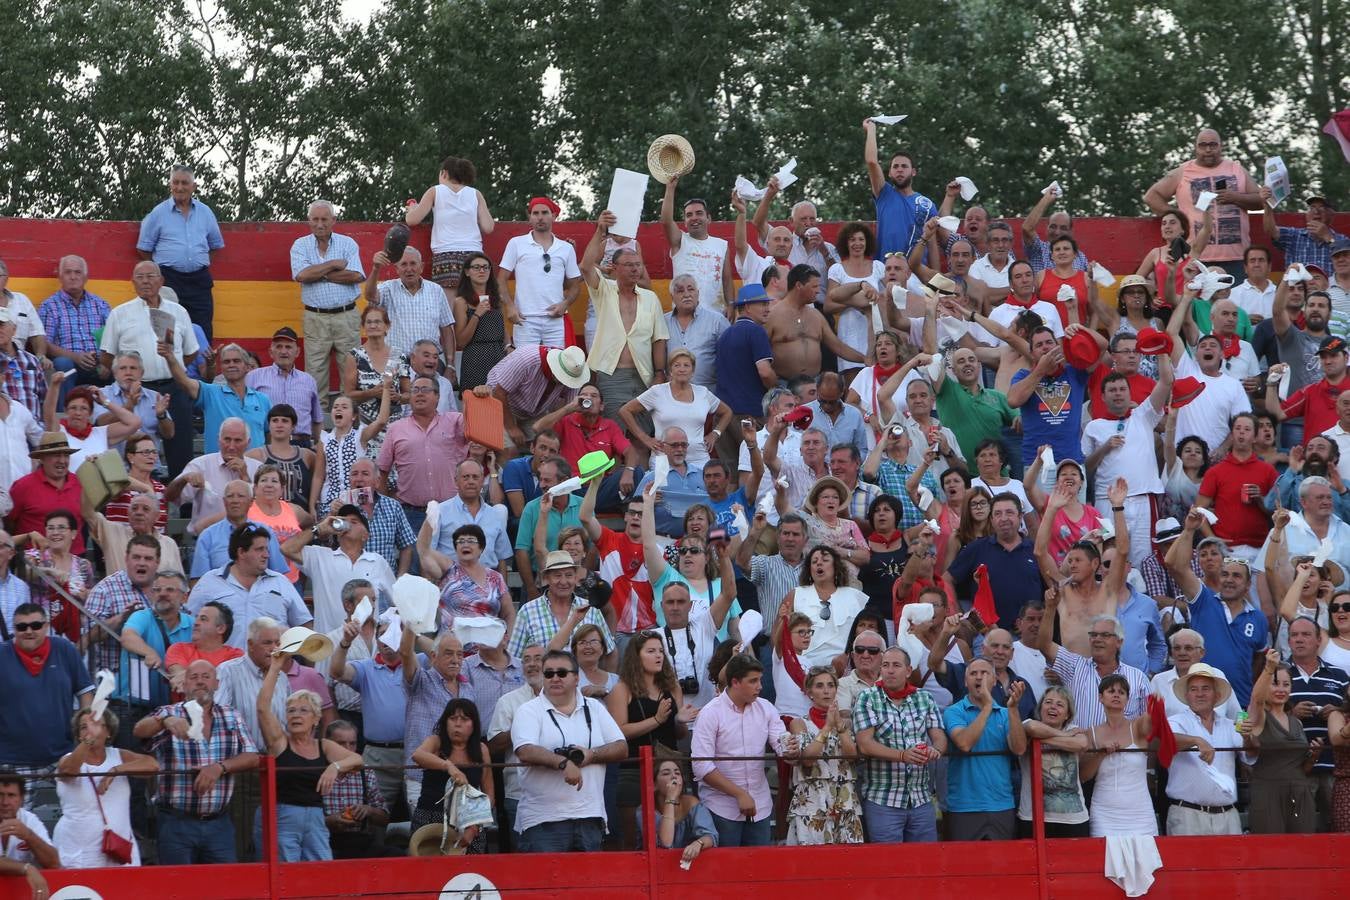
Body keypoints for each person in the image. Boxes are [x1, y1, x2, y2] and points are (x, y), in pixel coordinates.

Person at [133, 660, 259, 863]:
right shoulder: (170, 712)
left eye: (206, 677)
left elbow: (252, 757)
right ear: (184, 685)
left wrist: (219, 768)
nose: (200, 682)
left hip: (220, 823)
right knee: (178, 891)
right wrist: (164, 721)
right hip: (176, 823)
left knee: (225, 890)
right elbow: (138, 730)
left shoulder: (232, 715)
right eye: (193, 677)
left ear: (217, 683)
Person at [510, 648, 626, 852]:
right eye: (548, 673)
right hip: (543, 821)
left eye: (562, 673)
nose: (555, 678)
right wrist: (563, 763)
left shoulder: (595, 707)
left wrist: (592, 755)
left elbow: (621, 747)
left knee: (588, 884)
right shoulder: (528, 710)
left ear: (576, 678)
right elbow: (525, 750)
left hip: (590, 817)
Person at [255, 650, 362, 861]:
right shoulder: (279, 742)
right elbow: (262, 708)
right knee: (285, 877)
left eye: (303, 710)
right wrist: (275, 667)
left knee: (322, 873)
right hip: (282, 816)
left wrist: (335, 767)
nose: (296, 715)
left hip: (315, 818)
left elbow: (357, 759)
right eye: (291, 711)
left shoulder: (324, 745)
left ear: (316, 718)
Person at [0, 602, 93, 836]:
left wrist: (85, 728)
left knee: (79, 815)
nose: (29, 631)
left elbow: (85, 693)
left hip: (61, 754)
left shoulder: (65, 649)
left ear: (47, 626)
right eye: (21, 627)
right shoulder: (1, 655)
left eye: (35, 625)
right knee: (10, 825)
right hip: (13, 759)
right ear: (14, 629)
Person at [97, 262, 195, 475]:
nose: (145, 281)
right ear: (132, 282)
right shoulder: (120, 314)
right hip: (138, 391)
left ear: (161, 281)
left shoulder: (179, 312)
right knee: (139, 448)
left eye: (151, 276)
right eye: (139, 277)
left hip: (174, 388)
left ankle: (184, 506)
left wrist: (173, 367)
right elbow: (107, 355)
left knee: (181, 452)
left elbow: (191, 351)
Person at [1165, 509, 1269, 706]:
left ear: (1248, 585)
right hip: (1201, 701)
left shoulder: (1258, 618)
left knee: (1240, 738)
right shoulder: (1203, 599)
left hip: (1242, 701)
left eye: (1236, 576)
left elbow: (1259, 659)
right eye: (1225, 575)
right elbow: (1177, 567)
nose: (1229, 580)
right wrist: (1188, 530)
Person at [691, 653, 791, 847]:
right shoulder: (710, 713)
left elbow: (782, 743)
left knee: (759, 872)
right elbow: (701, 766)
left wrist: (792, 749)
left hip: (760, 805)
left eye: (760, 680)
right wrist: (739, 794)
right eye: (753, 681)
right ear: (735, 682)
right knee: (725, 873)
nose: (760, 686)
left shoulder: (766, 708)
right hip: (721, 808)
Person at [581, 211, 670, 420]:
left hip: (644, 376)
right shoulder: (604, 290)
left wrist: (659, 374)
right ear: (615, 268)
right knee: (615, 432)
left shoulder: (650, 298)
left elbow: (659, 340)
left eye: (638, 265)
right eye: (629, 265)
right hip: (611, 375)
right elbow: (586, 266)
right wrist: (600, 230)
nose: (635, 269)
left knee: (644, 433)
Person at [606, 632, 689, 848]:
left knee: (673, 833)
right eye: (651, 651)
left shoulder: (672, 687)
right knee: (633, 838)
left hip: (668, 767)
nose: (658, 656)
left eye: (660, 651)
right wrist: (657, 719)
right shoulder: (621, 690)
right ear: (636, 656)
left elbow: (679, 735)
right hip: (634, 770)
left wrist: (680, 721)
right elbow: (619, 732)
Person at [1143, 129, 1262, 277]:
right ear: (1195, 147)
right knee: (1195, 300)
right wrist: (1179, 218)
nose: (1208, 150)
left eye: (1213, 145)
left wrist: (1236, 197)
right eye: (1203, 145)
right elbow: (1151, 197)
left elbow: (1261, 201)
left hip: (1236, 257)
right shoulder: (1183, 171)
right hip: (1195, 255)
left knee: (1232, 301)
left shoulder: (1236, 169)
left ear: (1221, 146)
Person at [330, 617, 410, 815]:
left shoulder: (418, 663)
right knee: (373, 817)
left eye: (393, 634)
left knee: (420, 815)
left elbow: (436, 653)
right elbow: (336, 671)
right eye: (381, 634)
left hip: (415, 751)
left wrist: (413, 631)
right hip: (377, 755)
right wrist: (345, 642)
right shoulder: (365, 667)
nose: (387, 639)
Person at [186, 522, 312, 648]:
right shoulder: (209, 582)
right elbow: (189, 625)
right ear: (241, 552)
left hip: (274, 665)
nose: (266, 555)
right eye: (259, 549)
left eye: (266, 549)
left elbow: (304, 627)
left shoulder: (281, 582)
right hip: (223, 666)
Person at [776, 666, 863, 845]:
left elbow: (852, 756)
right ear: (809, 692)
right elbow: (808, 760)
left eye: (831, 686)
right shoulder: (799, 723)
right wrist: (827, 728)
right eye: (820, 686)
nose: (826, 691)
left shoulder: (844, 722)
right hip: (812, 799)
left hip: (843, 798)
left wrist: (839, 725)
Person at [942, 658, 1027, 841]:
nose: (978, 678)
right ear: (965, 682)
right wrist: (988, 707)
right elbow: (964, 743)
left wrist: (1012, 709)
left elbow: (1019, 749)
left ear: (994, 680)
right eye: (973, 674)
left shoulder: (1006, 713)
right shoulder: (953, 711)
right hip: (964, 806)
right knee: (965, 867)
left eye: (984, 673)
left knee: (1001, 866)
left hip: (1001, 805)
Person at [1036, 590, 1149, 728]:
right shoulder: (1075, 666)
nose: (1097, 639)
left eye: (1105, 635)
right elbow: (1044, 644)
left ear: (1119, 642)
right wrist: (1050, 607)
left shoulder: (1138, 678)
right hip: (1078, 748)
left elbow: (1147, 724)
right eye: (1094, 635)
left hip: (1122, 749)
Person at [136, 165, 224, 338]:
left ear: (194, 186)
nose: (180, 187)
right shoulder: (158, 213)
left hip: (199, 281)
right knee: (166, 332)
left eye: (185, 183)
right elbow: (143, 249)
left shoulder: (205, 212)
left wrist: (196, 262)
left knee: (202, 331)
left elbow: (215, 245)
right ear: (170, 185)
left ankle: (201, 365)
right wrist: (160, 270)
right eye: (175, 182)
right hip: (169, 280)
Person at [377, 374, 466, 535]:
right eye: (415, 390)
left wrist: (482, 396)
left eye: (425, 389)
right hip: (411, 515)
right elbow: (382, 472)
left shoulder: (455, 421)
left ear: (437, 396)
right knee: (415, 560)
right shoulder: (396, 428)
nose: (419, 394)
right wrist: (385, 511)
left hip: (451, 511)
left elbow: (478, 428)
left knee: (451, 560)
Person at [1243, 649, 1318, 833]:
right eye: (1275, 684)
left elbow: (1303, 768)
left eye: (1286, 684)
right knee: (1272, 852)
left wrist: (1313, 756)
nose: (1281, 689)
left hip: (1300, 793)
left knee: (1303, 851)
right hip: (1268, 793)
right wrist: (1269, 668)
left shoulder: (1297, 722)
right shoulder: (1259, 716)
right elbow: (1256, 699)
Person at [1164, 663, 1243, 836]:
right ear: (1187, 695)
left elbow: (1251, 756)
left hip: (1227, 815)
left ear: (1217, 695)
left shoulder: (1231, 726)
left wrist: (1251, 735)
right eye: (1194, 689)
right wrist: (1195, 740)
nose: (1199, 694)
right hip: (1187, 815)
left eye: (1206, 688)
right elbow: (1166, 741)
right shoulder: (1176, 721)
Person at [945, 493, 1043, 628]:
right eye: (997, 514)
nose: (1003, 518)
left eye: (1009, 512)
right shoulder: (977, 548)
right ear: (991, 519)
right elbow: (946, 579)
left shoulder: (1035, 550)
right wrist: (957, 611)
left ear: (1020, 517)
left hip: (1030, 635)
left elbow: (1051, 590)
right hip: (987, 635)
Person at [410, 698, 494, 853]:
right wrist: (449, 767)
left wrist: (475, 826)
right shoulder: (435, 742)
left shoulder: (481, 750)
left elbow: (489, 795)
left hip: (469, 822)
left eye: (464, 719)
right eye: (453, 718)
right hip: (431, 819)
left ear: (473, 725)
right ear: (445, 722)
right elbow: (417, 755)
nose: (458, 724)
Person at [1078, 674, 1158, 836]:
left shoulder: (1137, 726)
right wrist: (1101, 754)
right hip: (1104, 812)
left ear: (1128, 699)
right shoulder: (1090, 733)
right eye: (1111, 691)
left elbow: (1152, 721)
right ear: (1101, 697)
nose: (1116, 695)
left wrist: (1156, 705)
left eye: (1121, 692)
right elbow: (1083, 776)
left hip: (1140, 813)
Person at [497, 196, 582, 346]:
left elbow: (575, 285)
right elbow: (501, 279)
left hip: (555, 320)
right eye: (535, 213)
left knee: (555, 366)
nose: (540, 217)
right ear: (530, 217)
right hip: (525, 319)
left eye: (545, 212)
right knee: (526, 368)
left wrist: (565, 304)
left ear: (554, 216)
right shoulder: (516, 243)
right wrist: (510, 306)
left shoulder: (566, 248)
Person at [405, 155, 496, 292]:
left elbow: (412, 220)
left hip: (445, 255)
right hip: (474, 255)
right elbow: (488, 227)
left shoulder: (435, 191)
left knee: (449, 307)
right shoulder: (475, 194)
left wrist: (412, 209)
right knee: (477, 303)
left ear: (444, 173)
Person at [163, 341, 272, 451]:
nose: (231, 365)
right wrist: (170, 357)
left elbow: (270, 436)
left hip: (254, 466)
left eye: (236, 361)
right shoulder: (210, 393)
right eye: (226, 362)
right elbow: (183, 381)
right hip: (217, 466)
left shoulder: (263, 400)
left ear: (247, 367)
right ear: (222, 368)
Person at [766, 265, 866, 381]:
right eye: (814, 286)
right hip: (783, 384)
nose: (818, 290)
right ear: (798, 285)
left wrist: (864, 359)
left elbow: (839, 347)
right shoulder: (773, 315)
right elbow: (760, 354)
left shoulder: (817, 316)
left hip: (814, 384)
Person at [481, 344, 590, 449]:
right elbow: (499, 392)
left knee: (545, 446)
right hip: (500, 402)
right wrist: (511, 427)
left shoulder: (575, 369)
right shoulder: (527, 360)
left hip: (533, 411)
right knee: (510, 450)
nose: (566, 382)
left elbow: (568, 409)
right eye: (564, 378)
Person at [165, 419, 263, 535]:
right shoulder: (200, 465)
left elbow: (264, 507)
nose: (231, 446)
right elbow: (170, 497)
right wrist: (184, 479)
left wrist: (245, 477)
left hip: (248, 538)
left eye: (237, 441)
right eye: (227, 439)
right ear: (218, 440)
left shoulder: (258, 468)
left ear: (248, 442)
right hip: (207, 538)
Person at [1018, 686, 1090, 837]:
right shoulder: (1029, 724)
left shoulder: (1074, 728)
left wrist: (1042, 739)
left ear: (1067, 714)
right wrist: (1065, 735)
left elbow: (1081, 744)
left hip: (1074, 819)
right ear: (1040, 708)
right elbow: (1032, 727)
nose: (1053, 707)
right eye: (1048, 702)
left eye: (1060, 704)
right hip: (1032, 817)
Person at [364, 245, 456, 360]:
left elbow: (446, 328)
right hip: (396, 362)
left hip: (429, 363)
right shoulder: (388, 288)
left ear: (421, 267)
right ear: (397, 269)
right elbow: (370, 296)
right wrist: (376, 268)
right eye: (404, 264)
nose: (409, 269)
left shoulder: (436, 290)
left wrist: (451, 365)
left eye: (413, 263)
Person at [313, 388, 392, 519]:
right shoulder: (324, 440)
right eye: (335, 407)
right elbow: (318, 476)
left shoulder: (360, 435)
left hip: (358, 499)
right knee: (330, 535)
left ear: (354, 416)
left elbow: (382, 420)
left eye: (344, 407)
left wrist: (386, 387)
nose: (338, 409)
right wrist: (312, 505)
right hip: (329, 501)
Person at [38, 255, 111, 396]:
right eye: (68, 272)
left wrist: (105, 362)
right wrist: (75, 357)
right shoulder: (49, 306)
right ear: (60, 277)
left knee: (124, 364)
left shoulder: (101, 305)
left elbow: (113, 338)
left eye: (78, 272)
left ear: (85, 277)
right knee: (62, 364)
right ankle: (60, 416)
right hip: (70, 364)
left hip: (99, 363)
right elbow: (45, 343)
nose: (73, 277)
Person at [863, 120, 937, 257]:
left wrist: (935, 276)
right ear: (890, 173)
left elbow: (932, 245)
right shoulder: (884, 194)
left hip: (915, 274)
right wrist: (871, 129)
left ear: (913, 171)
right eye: (895, 167)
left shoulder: (927, 205)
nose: (900, 170)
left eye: (904, 166)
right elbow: (872, 161)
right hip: (885, 271)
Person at [319, 719, 390, 859]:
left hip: (360, 840)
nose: (347, 749)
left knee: (395, 855)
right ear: (328, 744)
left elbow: (385, 818)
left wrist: (368, 810)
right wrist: (329, 821)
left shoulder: (365, 772)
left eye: (352, 743)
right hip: (325, 840)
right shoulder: (316, 772)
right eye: (341, 744)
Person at [6, 432, 84, 555]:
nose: (62, 460)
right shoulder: (23, 486)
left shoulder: (80, 482)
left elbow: (91, 519)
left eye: (66, 455)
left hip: (75, 560)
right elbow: (9, 523)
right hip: (34, 563)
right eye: (57, 455)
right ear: (42, 458)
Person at [245, 329, 324, 447]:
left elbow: (317, 419)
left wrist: (319, 447)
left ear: (297, 352)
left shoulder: (308, 380)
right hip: (266, 443)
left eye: (288, 347)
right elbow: (243, 413)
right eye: (279, 347)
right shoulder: (254, 376)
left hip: (301, 444)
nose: (283, 351)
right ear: (271, 352)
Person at [713, 283, 777, 417]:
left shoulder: (725, 334)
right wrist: (776, 388)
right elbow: (765, 372)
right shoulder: (756, 331)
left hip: (724, 414)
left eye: (767, 304)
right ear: (747, 307)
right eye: (762, 304)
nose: (768, 309)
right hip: (751, 411)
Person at [452, 252, 507, 392]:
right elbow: (461, 341)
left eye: (485, 267)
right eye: (476, 267)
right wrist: (476, 315)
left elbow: (502, 328)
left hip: (499, 356)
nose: (482, 271)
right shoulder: (461, 302)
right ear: (467, 272)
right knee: (476, 407)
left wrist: (509, 346)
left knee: (501, 403)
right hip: (475, 358)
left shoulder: (497, 299)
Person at [245, 404, 316, 508]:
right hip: (266, 519)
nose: (279, 425)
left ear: (293, 426)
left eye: (285, 420)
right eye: (275, 420)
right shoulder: (255, 455)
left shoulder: (307, 456)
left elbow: (319, 480)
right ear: (269, 425)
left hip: (302, 519)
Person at [648, 757, 717, 861]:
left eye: (677, 773)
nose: (673, 776)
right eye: (666, 773)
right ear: (654, 785)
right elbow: (666, 842)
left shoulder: (692, 803)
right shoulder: (645, 810)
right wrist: (670, 798)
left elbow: (711, 836)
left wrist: (698, 843)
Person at [0, 773, 59, 872]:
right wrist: (26, 868)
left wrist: (29, 836)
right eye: (0, 795)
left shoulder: (29, 820)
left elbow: (54, 863)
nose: (5, 802)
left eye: (11, 795)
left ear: (21, 799)